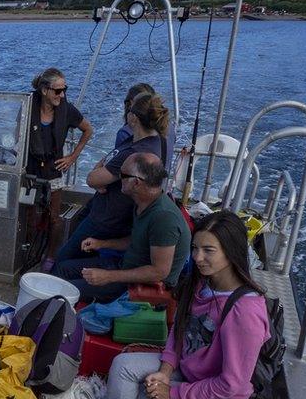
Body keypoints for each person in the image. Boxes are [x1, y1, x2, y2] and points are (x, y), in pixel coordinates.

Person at [64, 211, 270, 399]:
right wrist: (165, 370)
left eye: (209, 250)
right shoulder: (204, 283)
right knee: (123, 366)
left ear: (231, 251)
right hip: (189, 370)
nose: (197, 258)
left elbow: (230, 384)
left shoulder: (245, 312)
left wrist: (172, 393)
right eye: (195, 248)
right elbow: (180, 330)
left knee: (130, 393)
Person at [53, 152, 189, 302]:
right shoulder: (142, 203)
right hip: (125, 267)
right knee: (62, 268)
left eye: (122, 175)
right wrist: (102, 244)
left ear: (136, 183)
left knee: (61, 291)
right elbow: (138, 240)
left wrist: (108, 277)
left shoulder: (163, 217)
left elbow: (159, 272)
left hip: (140, 285)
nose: (118, 179)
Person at [54, 92, 170, 267]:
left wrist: (101, 175)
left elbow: (93, 179)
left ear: (134, 118)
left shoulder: (136, 153)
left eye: (130, 109)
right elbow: (102, 170)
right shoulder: (152, 140)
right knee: (79, 256)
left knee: (63, 260)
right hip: (104, 210)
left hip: (107, 219)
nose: (127, 112)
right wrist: (103, 175)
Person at [25, 68, 93, 266]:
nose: (61, 95)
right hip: (31, 170)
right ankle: (29, 251)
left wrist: (72, 157)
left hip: (54, 170)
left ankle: (51, 256)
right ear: (44, 90)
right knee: (30, 215)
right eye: (57, 91)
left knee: (54, 218)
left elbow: (88, 130)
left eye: (64, 90)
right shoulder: (29, 106)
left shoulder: (67, 109)